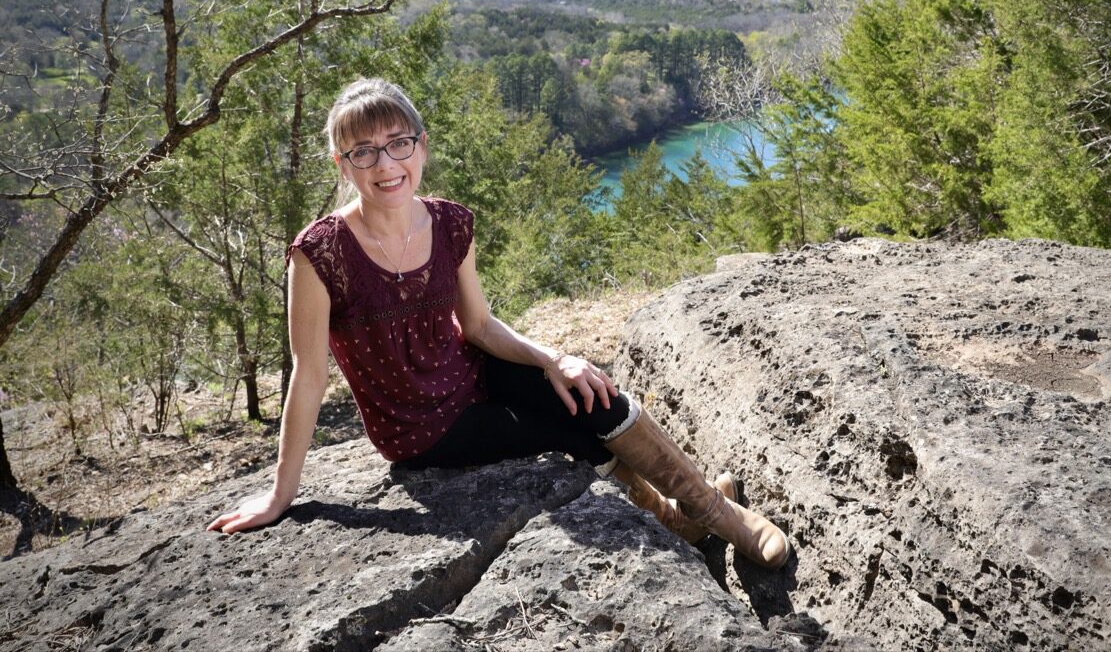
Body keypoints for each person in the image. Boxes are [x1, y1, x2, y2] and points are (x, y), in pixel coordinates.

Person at [207, 78, 791, 569]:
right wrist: (282, 494)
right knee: (568, 436)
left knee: (591, 393)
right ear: (343, 163)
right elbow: (309, 375)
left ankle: (721, 517)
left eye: (397, 143)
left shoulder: (451, 223)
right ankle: (675, 519)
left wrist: (553, 359)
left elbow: (481, 326)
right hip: (421, 428)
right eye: (363, 150)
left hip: (473, 372)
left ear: (422, 147)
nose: (385, 164)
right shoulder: (319, 253)